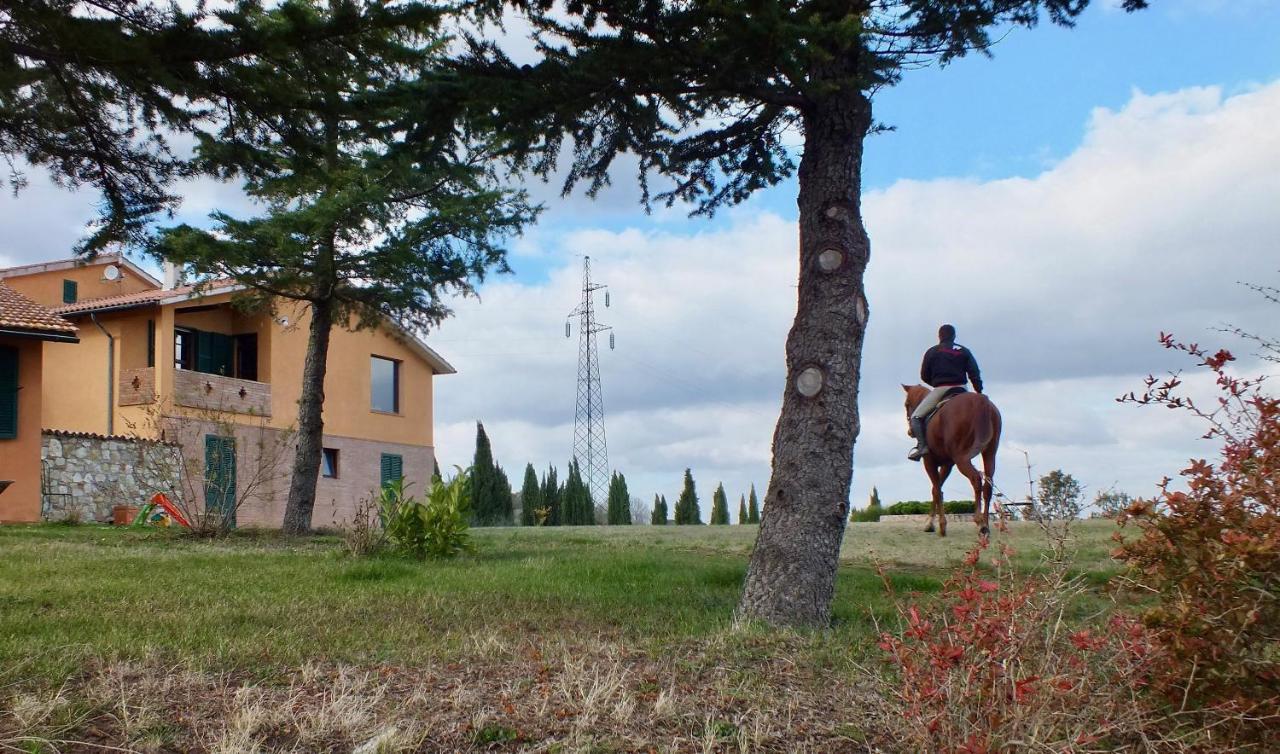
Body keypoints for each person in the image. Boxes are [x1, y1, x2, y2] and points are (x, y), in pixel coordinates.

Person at [908, 324, 983, 461]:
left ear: (939, 336)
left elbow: (924, 375)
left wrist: (936, 383)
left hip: (941, 389)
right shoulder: (964, 351)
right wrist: (978, 392)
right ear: (954, 336)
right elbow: (974, 373)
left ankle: (922, 446)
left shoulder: (932, 351)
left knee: (915, 417)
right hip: (962, 389)